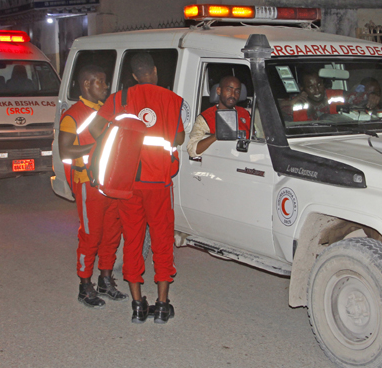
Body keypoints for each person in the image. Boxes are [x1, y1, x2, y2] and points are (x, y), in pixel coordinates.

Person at [90, 53, 185, 324]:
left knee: (132, 241)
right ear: (154, 71)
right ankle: (163, 305)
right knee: (162, 242)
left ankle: (137, 306)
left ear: (133, 75)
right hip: (159, 183)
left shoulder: (119, 99)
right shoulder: (171, 99)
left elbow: (97, 129)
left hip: (127, 182)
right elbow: (178, 137)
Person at [58, 65, 126, 309]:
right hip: (87, 182)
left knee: (111, 234)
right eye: (101, 81)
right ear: (87, 84)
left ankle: (105, 280)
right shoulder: (73, 115)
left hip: (111, 182)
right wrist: (97, 148)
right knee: (91, 235)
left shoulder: (109, 112)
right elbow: (65, 150)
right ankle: (84, 285)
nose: (106, 87)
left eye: (105, 82)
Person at [187, 76, 251, 157]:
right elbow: (192, 150)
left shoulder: (245, 114)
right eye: (228, 90)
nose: (233, 95)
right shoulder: (206, 118)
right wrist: (216, 136)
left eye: (237, 91)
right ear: (219, 91)